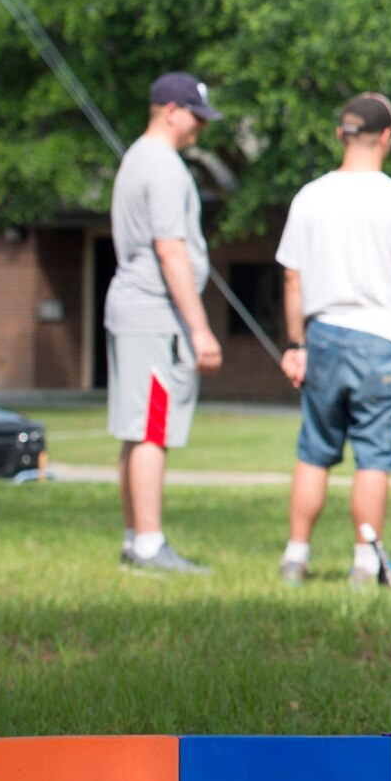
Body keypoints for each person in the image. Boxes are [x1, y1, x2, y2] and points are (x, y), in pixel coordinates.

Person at [275, 93, 391, 586]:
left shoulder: (309, 196)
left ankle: (295, 556)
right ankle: (366, 562)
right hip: (381, 343)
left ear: (340, 135)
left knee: (314, 450)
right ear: (387, 137)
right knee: (374, 455)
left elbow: (292, 279)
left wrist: (296, 344)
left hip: (322, 336)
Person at [106, 71, 224, 574]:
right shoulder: (164, 167)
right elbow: (171, 250)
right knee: (152, 428)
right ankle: (150, 545)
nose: (200, 128)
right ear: (171, 111)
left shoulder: (137, 157)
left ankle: (137, 539)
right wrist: (199, 328)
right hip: (154, 316)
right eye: (195, 117)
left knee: (137, 430)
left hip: (135, 312)